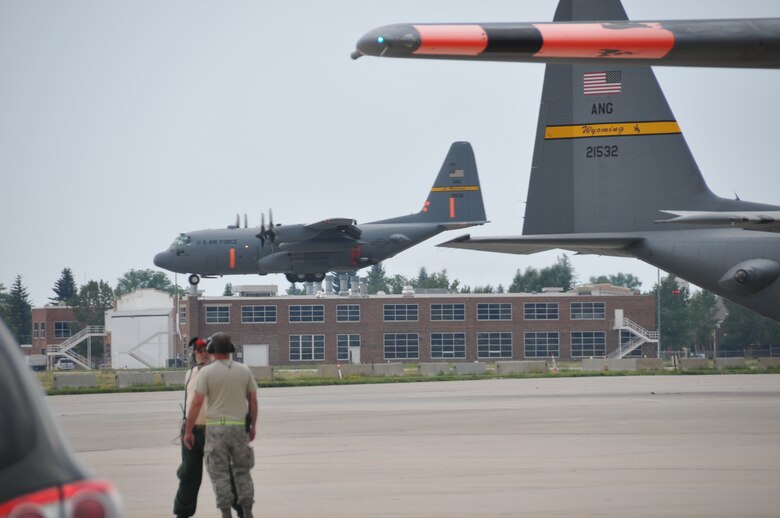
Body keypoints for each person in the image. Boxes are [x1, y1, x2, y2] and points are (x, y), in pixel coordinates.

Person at [184, 332, 258, 518]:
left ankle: (226, 513)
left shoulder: (206, 372)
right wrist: (253, 426)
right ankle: (247, 510)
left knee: (220, 474)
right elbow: (253, 402)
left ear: (211, 350)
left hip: (216, 429)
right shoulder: (244, 370)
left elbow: (196, 403)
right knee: (242, 472)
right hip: (239, 428)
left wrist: (188, 430)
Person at [173, 337, 244, 518]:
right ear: (194, 354)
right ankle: (182, 513)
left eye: (207, 350)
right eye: (199, 351)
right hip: (193, 431)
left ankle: (242, 509)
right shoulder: (190, 374)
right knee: (188, 475)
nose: (204, 354)